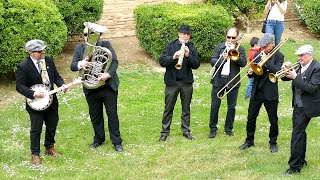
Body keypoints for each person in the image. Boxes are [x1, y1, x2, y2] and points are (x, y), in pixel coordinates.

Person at [70, 23, 123, 152]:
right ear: (83, 36)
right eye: (86, 35)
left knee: (112, 115)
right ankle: (99, 139)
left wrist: (108, 74)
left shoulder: (105, 45)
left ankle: (117, 142)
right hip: (91, 88)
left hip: (107, 87)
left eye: (91, 34)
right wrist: (80, 63)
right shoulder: (79, 48)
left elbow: (114, 62)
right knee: (95, 116)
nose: (88, 37)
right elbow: (72, 66)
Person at [16, 39, 67, 165]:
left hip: (51, 100)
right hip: (36, 103)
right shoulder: (23, 66)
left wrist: (62, 85)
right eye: (39, 51)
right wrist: (33, 94)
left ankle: (49, 148)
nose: (42, 53)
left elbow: (56, 76)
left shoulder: (48, 61)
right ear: (30, 53)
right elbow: (19, 86)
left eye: (42, 50)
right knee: (36, 128)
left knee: (52, 124)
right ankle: (35, 154)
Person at [239, 33, 284, 153]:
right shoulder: (258, 54)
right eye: (262, 46)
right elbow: (254, 72)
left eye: (265, 46)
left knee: (273, 119)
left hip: (270, 92)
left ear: (272, 44)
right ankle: (249, 140)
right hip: (257, 91)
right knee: (251, 117)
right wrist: (250, 73)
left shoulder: (279, 56)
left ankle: (273, 143)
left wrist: (267, 61)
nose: (262, 49)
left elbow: (278, 71)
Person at [281, 45, 320, 175]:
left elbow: (311, 88)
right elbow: (284, 78)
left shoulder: (317, 68)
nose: (299, 58)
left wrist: (295, 77)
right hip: (298, 105)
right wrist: (285, 69)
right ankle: (301, 161)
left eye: (301, 55)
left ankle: (294, 167)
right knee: (300, 133)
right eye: (298, 55)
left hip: (308, 106)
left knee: (296, 135)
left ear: (310, 55)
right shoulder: (299, 65)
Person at [158, 24, 200, 142]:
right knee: (168, 108)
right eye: (183, 34)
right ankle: (165, 132)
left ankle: (186, 131)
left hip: (186, 82)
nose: (185, 36)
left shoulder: (192, 47)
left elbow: (196, 64)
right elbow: (162, 61)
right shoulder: (170, 46)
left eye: (187, 34)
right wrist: (173, 57)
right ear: (179, 34)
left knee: (186, 108)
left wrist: (188, 55)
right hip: (172, 82)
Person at [208, 27, 247, 138]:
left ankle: (228, 129)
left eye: (233, 37)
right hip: (219, 79)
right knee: (215, 105)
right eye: (228, 37)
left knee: (231, 107)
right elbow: (212, 61)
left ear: (237, 38)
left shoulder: (241, 49)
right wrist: (222, 59)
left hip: (232, 80)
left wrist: (235, 56)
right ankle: (212, 128)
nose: (230, 40)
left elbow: (243, 63)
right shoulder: (219, 47)